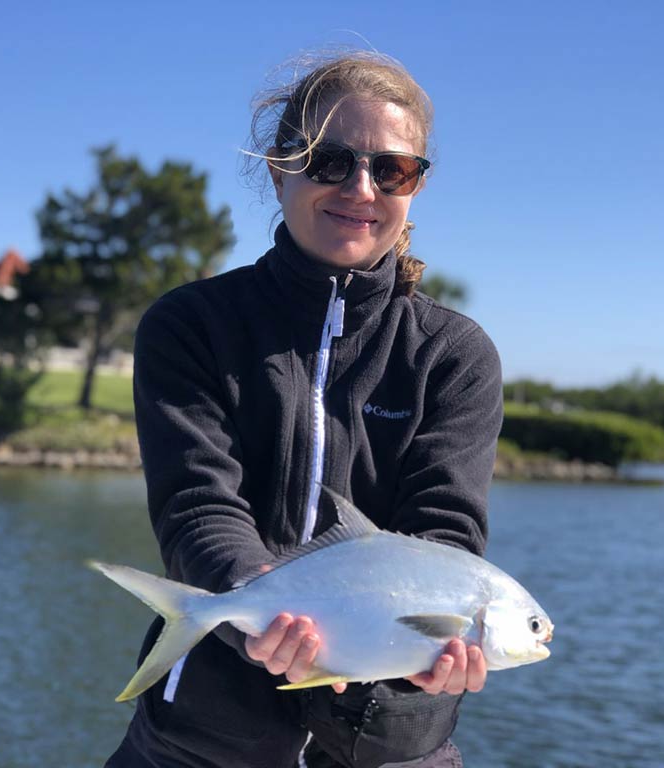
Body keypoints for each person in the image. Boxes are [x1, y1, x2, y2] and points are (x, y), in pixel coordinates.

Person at [105, 50, 504, 768]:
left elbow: (443, 535)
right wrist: (252, 602)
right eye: (330, 160)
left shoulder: (455, 355)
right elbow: (198, 504)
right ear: (277, 167)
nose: (361, 187)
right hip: (200, 740)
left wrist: (431, 651)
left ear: (415, 187)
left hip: (394, 745)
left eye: (392, 170)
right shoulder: (191, 325)